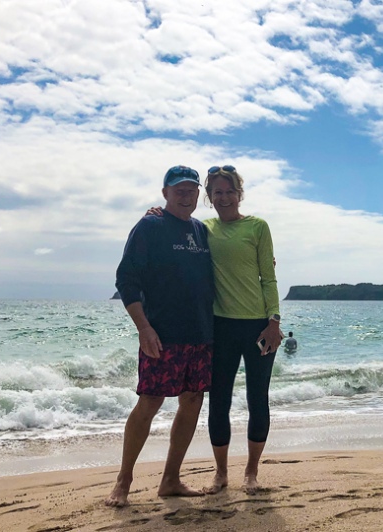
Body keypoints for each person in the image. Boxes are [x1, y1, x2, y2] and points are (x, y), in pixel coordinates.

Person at [105, 165, 214, 507]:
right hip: (161, 335)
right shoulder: (149, 226)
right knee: (150, 402)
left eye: (192, 189)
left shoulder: (202, 231)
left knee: (192, 400)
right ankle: (123, 481)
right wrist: (143, 328)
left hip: (200, 333)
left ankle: (171, 479)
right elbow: (126, 280)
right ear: (165, 193)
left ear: (199, 194)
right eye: (178, 189)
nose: (186, 195)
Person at [202, 165, 282, 495]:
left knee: (256, 399)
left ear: (239, 193)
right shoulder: (201, 228)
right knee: (218, 401)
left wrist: (274, 321)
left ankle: (251, 472)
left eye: (229, 191)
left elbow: (269, 276)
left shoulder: (258, 227)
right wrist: (155, 212)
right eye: (217, 192)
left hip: (258, 326)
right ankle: (220, 473)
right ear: (209, 197)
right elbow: (171, 229)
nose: (223, 197)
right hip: (220, 326)